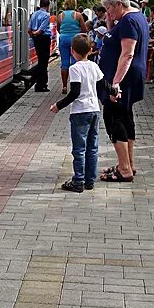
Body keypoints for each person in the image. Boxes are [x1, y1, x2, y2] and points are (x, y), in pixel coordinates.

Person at [98, 0, 149, 182]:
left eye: (109, 9)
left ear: (119, 4)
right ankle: (127, 163)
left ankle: (125, 169)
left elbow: (127, 54)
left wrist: (115, 84)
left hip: (122, 79)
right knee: (126, 117)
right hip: (129, 76)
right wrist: (111, 25)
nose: (107, 13)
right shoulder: (135, 17)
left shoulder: (128, 22)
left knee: (114, 117)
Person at [50, 34, 109, 192]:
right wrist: (114, 92)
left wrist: (58, 105)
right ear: (91, 50)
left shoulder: (74, 68)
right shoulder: (94, 66)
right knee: (92, 148)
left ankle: (78, 182)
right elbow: (104, 84)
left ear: (72, 51)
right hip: (94, 110)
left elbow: (74, 92)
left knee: (79, 149)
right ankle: (90, 181)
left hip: (80, 112)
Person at [56, 0, 85, 94]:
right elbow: (84, 29)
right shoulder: (78, 15)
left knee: (64, 63)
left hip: (63, 39)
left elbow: (58, 29)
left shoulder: (60, 15)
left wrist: (64, 33)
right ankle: (74, 86)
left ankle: (64, 86)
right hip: (75, 39)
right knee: (75, 62)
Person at [28, 0, 52, 92]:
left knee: (40, 60)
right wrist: (35, 34)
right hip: (44, 39)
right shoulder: (46, 15)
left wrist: (33, 36)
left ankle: (39, 83)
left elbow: (29, 29)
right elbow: (41, 30)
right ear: (47, 6)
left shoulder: (34, 14)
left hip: (37, 40)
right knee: (44, 61)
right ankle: (41, 84)